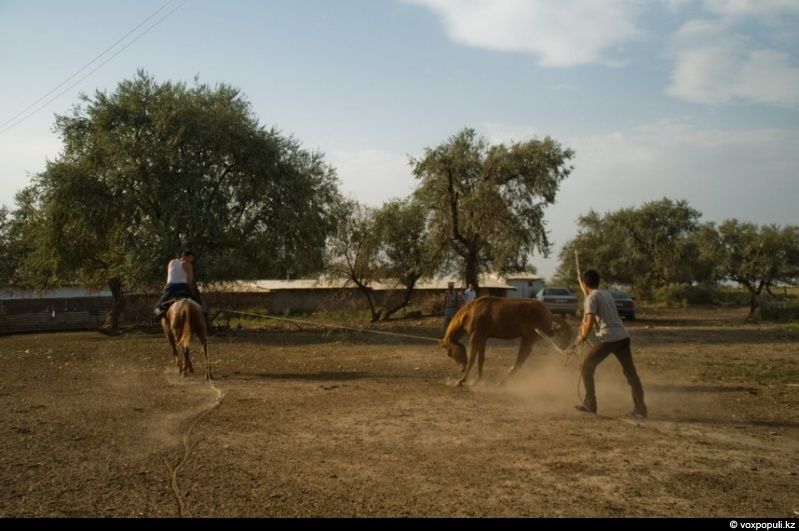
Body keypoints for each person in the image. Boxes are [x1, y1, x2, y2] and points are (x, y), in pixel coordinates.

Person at [574, 269, 647, 418]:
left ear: (584, 283)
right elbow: (593, 319)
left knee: (585, 366)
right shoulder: (606, 294)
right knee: (630, 373)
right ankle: (641, 409)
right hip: (622, 337)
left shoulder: (591, 298)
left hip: (609, 338)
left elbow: (589, 322)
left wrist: (582, 336)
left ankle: (590, 404)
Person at [153, 250, 204, 320]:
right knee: (198, 303)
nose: (191, 260)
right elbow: (190, 281)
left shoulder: (171, 262)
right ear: (185, 256)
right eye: (190, 258)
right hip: (183, 287)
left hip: (170, 287)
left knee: (157, 306)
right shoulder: (188, 265)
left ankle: (159, 312)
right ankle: (203, 311)